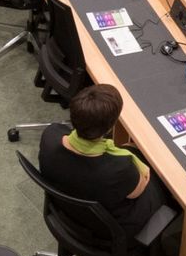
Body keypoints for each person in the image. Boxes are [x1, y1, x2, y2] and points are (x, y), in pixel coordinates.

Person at [38, 84, 174, 241]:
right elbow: (139, 189)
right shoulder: (118, 168)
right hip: (111, 232)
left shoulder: (50, 136)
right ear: (110, 128)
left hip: (69, 210)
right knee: (164, 183)